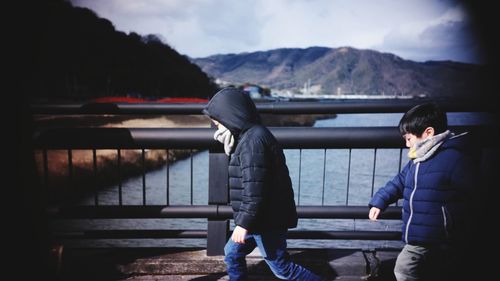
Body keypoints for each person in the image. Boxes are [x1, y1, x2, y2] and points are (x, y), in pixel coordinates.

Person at [203, 87, 324, 281]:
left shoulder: (253, 142)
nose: (217, 128)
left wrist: (243, 224)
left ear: (231, 117)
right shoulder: (247, 137)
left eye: (218, 123)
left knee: (282, 268)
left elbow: (255, 189)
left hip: (268, 219)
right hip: (258, 218)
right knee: (232, 253)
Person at [368, 102, 480, 281]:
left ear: (428, 133)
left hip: (442, 237)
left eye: (409, 138)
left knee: (404, 269)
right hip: (418, 236)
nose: (406, 144)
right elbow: (398, 183)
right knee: (414, 269)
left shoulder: (455, 159)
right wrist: (380, 201)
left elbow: (475, 195)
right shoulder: (416, 160)